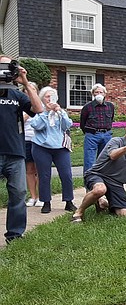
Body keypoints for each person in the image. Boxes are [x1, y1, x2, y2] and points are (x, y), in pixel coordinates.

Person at [0, 56, 42, 244]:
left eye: (9, 66)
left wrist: (25, 81)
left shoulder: (17, 94)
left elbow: (38, 109)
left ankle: (15, 235)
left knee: (18, 194)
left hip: (15, 153)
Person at [71, 119, 126, 222]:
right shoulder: (116, 141)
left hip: (116, 183)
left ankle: (102, 202)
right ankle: (79, 212)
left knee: (124, 214)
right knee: (100, 189)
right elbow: (113, 155)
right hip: (98, 175)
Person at [30, 86, 76, 214]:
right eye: (47, 96)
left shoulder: (60, 112)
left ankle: (69, 201)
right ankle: (46, 202)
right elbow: (36, 126)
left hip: (60, 147)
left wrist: (59, 111)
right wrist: (45, 113)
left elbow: (67, 126)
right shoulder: (39, 112)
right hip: (41, 147)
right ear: (42, 99)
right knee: (44, 175)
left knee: (66, 174)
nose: (50, 99)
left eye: (52, 96)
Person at [79, 83, 114, 172]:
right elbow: (82, 123)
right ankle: (89, 182)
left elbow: (111, 119)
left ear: (104, 94)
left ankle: (103, 180)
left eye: (101, 92)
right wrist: (89, 132)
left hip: (107, 135)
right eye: (96, 92)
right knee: (89, 160)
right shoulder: (87, 107)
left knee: (105, 159)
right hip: (92, 135)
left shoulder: (110, 106)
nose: (99, 94)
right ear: (93, 94)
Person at [23, 82, 43, 208]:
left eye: (32, 90)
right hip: (25, 140)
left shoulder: (40, 107)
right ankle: (33, 197)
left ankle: (42, 196)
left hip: (39, 141)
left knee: (40, 170)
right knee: (29, 170)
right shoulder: (21, 105)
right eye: (26, 90)